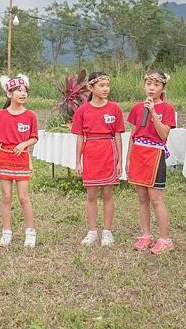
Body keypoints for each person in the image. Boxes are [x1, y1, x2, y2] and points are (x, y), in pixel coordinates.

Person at [71, 72, 124, 247]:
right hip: (91, 153)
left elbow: (117, 136)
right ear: (91, 88)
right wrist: (78, 161)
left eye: (107, 85)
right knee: (91, 195)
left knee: (108, 194)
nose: (106, 89)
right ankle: (92, 231)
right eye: (101, 85)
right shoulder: (82, 110)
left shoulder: (114, 108)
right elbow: (79, 137)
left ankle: (107, 232)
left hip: (108, 152)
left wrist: (119, 161)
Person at [126, 71, 176, 255]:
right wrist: (128, 159)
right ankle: (146, 235)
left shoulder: (168, 109)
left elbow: (164, 134)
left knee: (156, 199)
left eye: (156, 85)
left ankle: (165, 239)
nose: (151, 88)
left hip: (155, 154)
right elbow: (133, 134)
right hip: (138, 153)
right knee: (142, 199)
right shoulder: (137, 108)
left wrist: (153, 112)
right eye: (148, 84)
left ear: (163, 88)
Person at [0, 74, 39, 248]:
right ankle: (6, 232)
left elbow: (34, 138)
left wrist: (24, 143)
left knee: (23, 197)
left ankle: (30, 232)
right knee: (6, 197)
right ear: (9, 94)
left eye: (25, 90)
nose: (23, 93)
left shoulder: (30, 116)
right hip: (4, 157)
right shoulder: (0, 116)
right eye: (18, 90)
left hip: (22, 159)